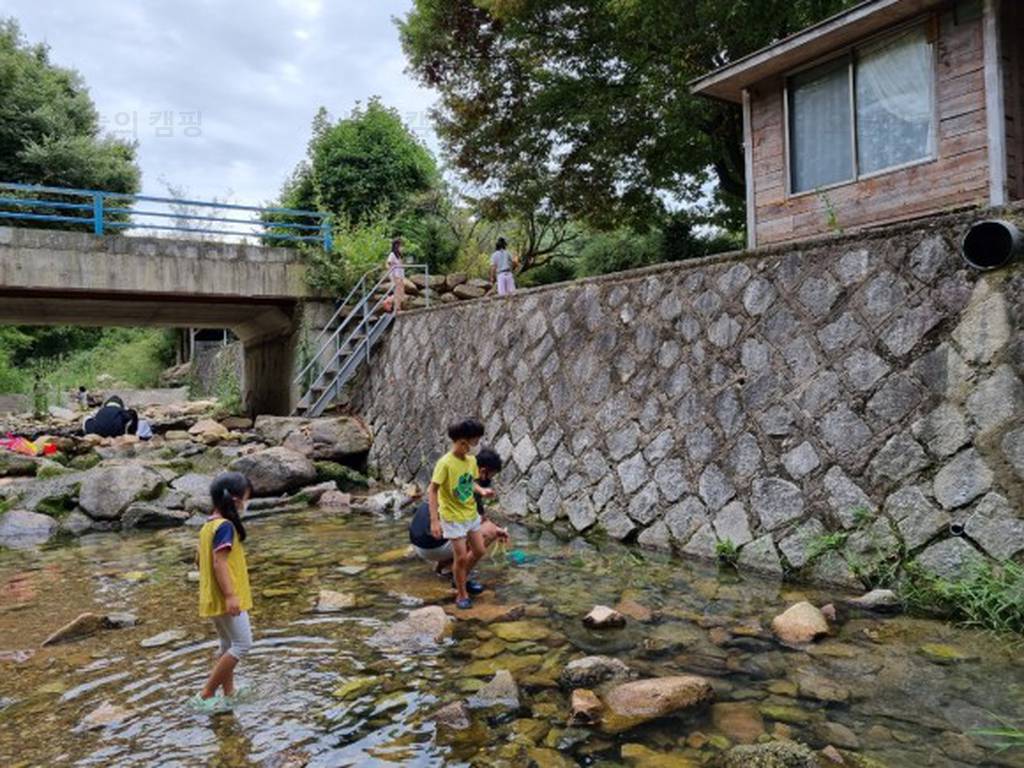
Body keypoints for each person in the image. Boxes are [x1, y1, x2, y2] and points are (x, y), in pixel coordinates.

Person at [191, 472, 254, 713]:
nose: (247, 504)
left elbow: (199, 560)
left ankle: (229, 692)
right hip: (227, 597)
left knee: (228, 644)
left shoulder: (208, 525)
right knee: (243, 644)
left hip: (213, 597)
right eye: (246, 498)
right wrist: (230, 595)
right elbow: (220, 563)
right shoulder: (226, 526)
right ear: (235, 500)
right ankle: (207, 693)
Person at [410, 447, 509, 584]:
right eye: (491, 475)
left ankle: (443, 569)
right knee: (489, 531)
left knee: (462, 529)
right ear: (483, 471)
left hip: (418, 542)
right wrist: (496, 530)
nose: (490, 480)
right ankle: (458, 579)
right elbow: (478, 523)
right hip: (433, 546)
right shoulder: (472, 486)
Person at [428, 418, 494, 609]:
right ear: (463, 441)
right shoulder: (445, 463)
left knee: (479, 550)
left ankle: (460, 577)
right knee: (462, 557)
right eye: (476, 440)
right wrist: (434, 521)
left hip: (470, 514)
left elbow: (469, 482)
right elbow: (432, 490)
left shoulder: (471, 460)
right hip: (453, 518)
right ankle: (461, 593)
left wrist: (481, 491)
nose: (477, 444)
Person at [386, 238, 406, 314]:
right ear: (396, 246)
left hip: (400, 277)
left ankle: (397, 307)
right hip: (396, 277)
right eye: (401, 245)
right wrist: (393, 275)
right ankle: (396, 308)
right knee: (397, 292)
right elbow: (388, 264)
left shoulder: (399, 256)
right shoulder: (392, 254)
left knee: (401, 293)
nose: (402, 247)